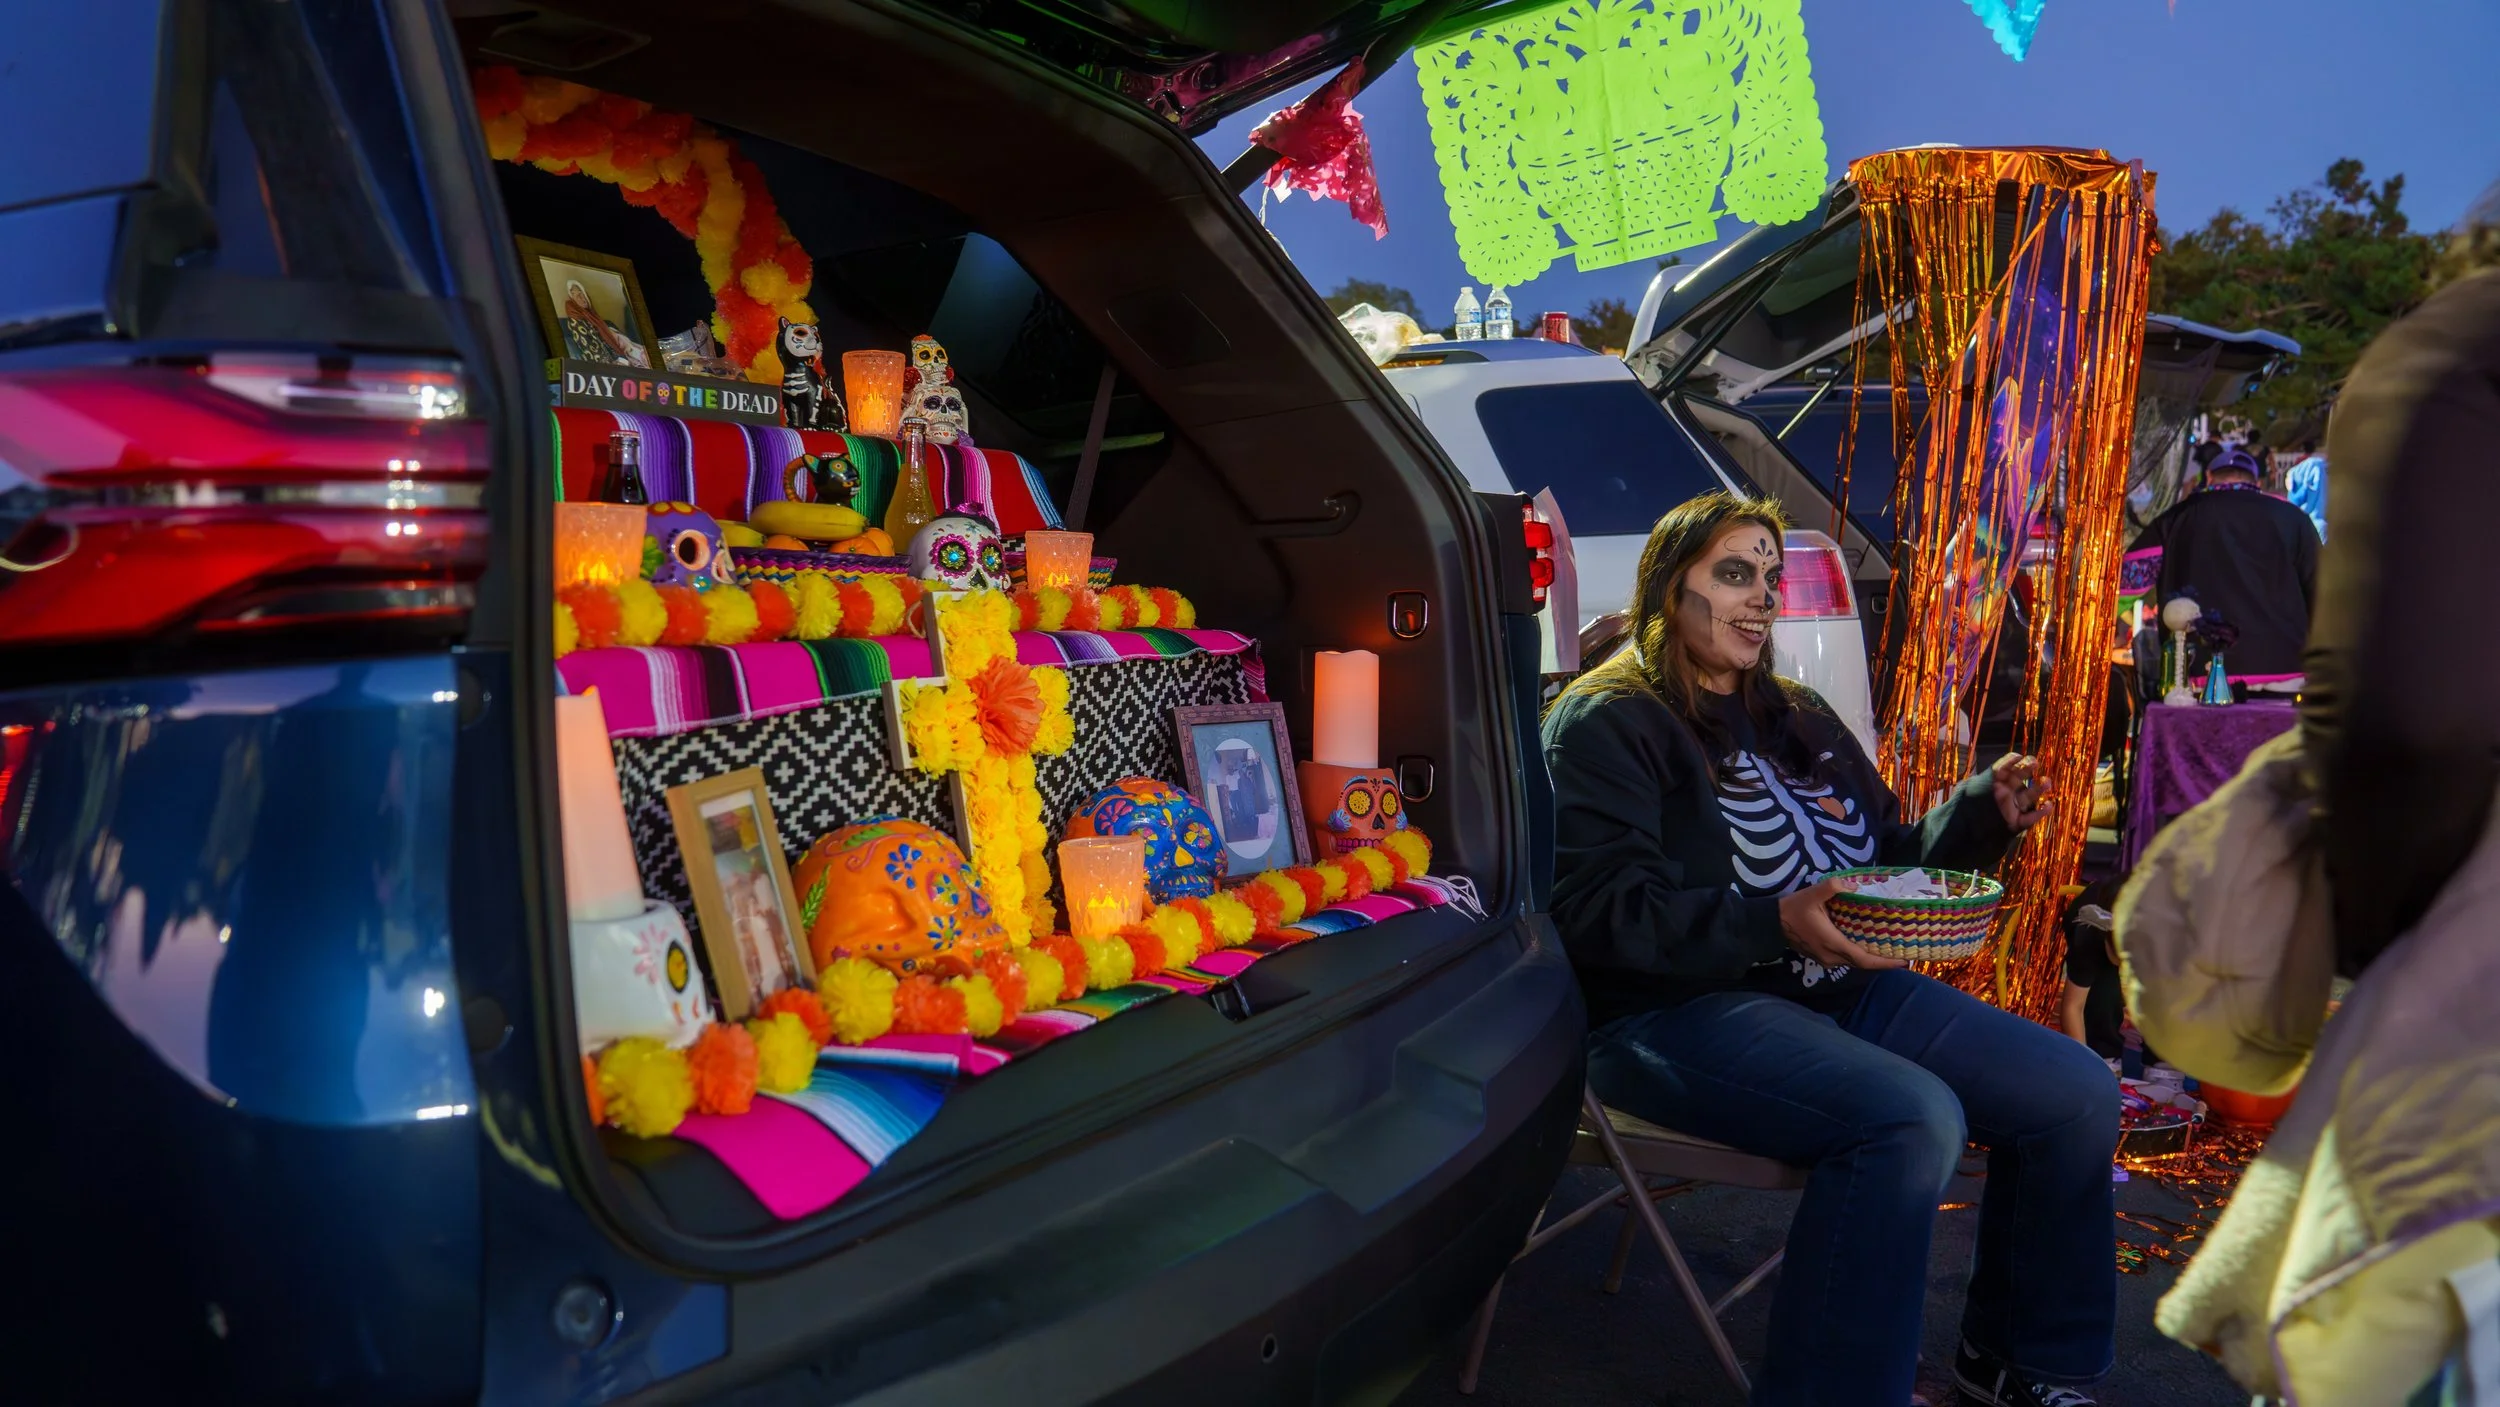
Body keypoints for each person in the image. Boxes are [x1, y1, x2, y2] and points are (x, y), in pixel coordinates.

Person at [1543, 490, 2118, 1407]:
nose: (1762, 596)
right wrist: (1768, 920)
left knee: (2078, 1091)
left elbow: (1881, 864)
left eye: (1770, 576)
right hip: (1671, 1013)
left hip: (1834, 990)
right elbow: (1600, 914)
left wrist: (1976, 815)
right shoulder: (1605, 721)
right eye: (1735, 573)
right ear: (1667, 588)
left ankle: (2019, 1358)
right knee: (1911, 1115)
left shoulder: (1797, 712)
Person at [2132, 444, 2320, 678]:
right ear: (2257, 482)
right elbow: (2321, 590)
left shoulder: (2175, 518)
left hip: (2196, 672)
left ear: (2209, 477)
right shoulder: (2294, 519)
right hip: (2282, 670)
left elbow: (2126, 582)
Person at [2058, 880, 2123, 1060]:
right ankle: (2102, 1054)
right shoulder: (2088, 935)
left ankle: (2161, 1064)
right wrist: (2084, 1063)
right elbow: (2073, 1007)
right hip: (2091, 920)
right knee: (2104, 994)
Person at [560, 278, 652, 367]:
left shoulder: (593, 317)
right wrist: (612, 363)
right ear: (572, 299)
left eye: (581, 293)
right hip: (606, 363)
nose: (581, 298)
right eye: (574, 295)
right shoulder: (575, 321)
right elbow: (589, 350)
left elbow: (612, 341)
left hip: (618, 357)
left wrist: (622, 358)